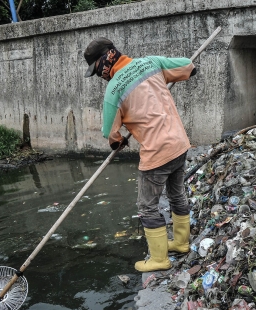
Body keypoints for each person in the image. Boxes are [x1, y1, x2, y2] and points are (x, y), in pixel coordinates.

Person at [83, 38, 196, 272]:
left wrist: (119, 141)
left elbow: (110, 134)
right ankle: (182, 243)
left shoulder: (114, 89)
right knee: (177, 194)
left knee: (147, 207)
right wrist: (164, 79)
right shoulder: (152, 63)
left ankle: (159, 259)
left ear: (105, 60)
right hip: (179, 144)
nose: (99, 75)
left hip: (156, 153)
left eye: (97, 71)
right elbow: (189, 67)